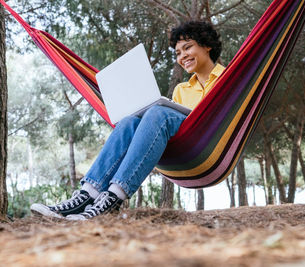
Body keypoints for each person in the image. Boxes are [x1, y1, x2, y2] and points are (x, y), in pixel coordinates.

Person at [30, 20, 224, 220]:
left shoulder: (227, 80)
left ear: (207, 45)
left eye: (187, 47)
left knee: (158, 113)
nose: (182, 56)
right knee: (128, 121)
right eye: (178, 53)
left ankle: (114, 197)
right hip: (179, 149)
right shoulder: (181, 90)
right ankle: (88, 194)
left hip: (207, 147)